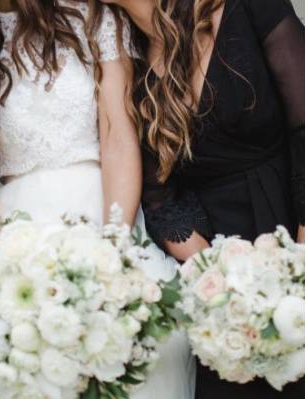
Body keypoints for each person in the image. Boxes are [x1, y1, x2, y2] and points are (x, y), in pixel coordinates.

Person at [0, 1, 195, 398]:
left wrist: (113, 244)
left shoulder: (93, 18)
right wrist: (10, 266)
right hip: (10, 231)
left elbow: (117, 136)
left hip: (104, 209)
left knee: (140, 344)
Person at [103, 0, 305, 397]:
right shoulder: (127, 58)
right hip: (213, 257)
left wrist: (300, 259)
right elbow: (159, 199)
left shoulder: (245, 8)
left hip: (291, 212)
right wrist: (218, 284)